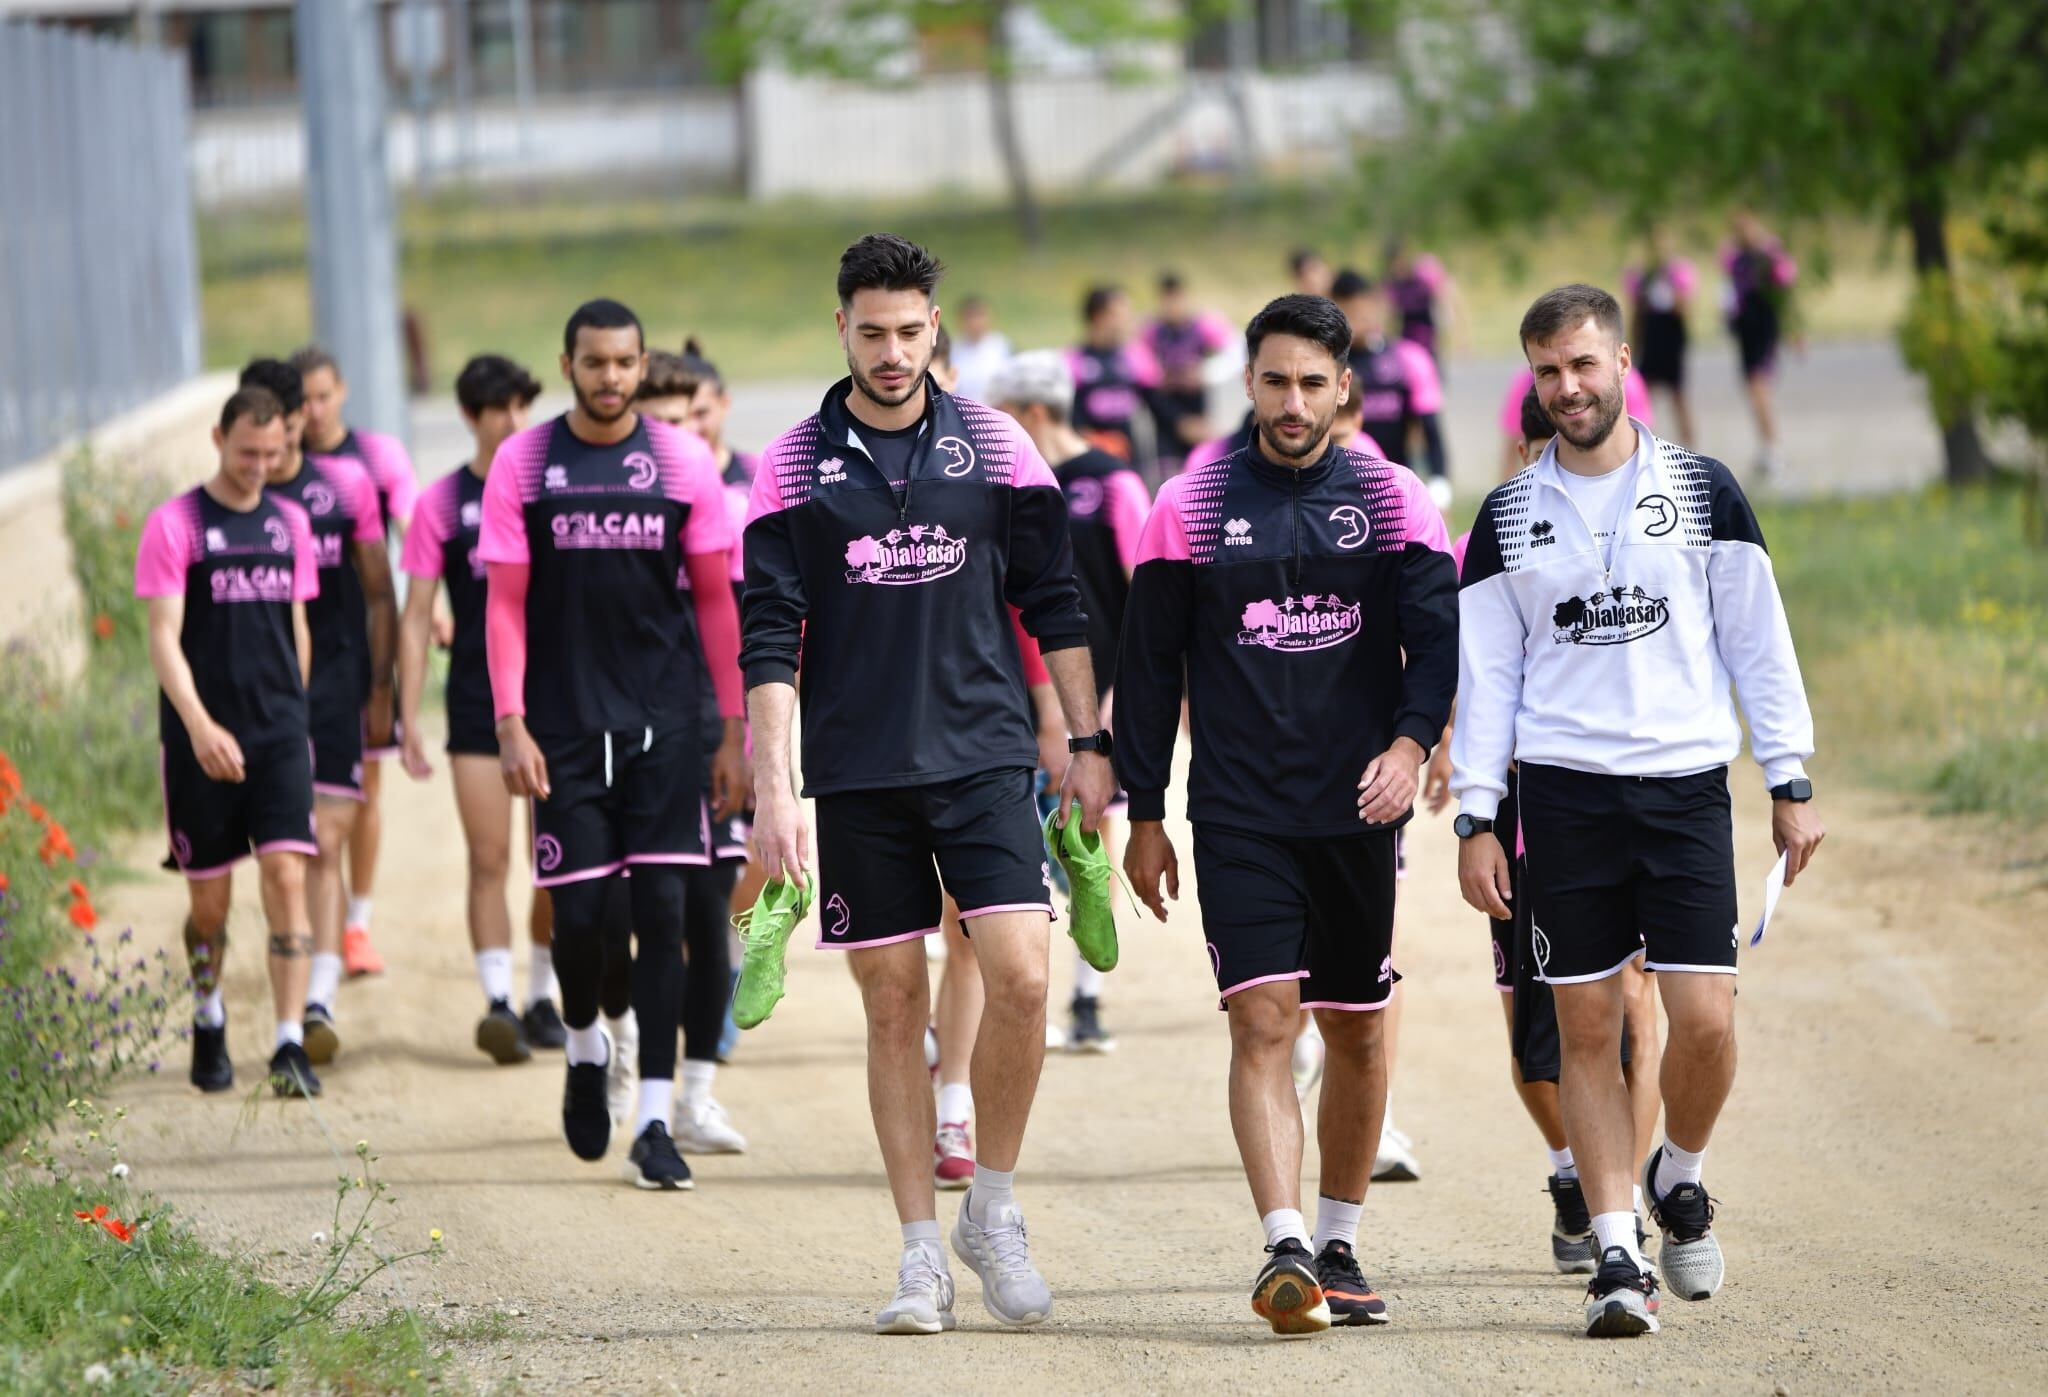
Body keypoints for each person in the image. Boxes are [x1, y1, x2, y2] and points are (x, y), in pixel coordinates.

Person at [737, 233, 1116, 1335]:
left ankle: (989, 1210)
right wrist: (773, 789)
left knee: (1023, 978)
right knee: (893, 1005)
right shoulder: (790, 464)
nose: (892, 351)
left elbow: (1057, 601)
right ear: (840, 328)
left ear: (935, 328)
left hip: (987, 757)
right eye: (872, 332)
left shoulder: (998, 447)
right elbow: (768, 636)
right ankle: (916, 1256)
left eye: (910, 331)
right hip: (857, 773)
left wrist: (1085, 742)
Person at [1453, 284, 1825, 1338]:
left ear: (1622, 364)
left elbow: (1757, 638)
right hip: (1562, 795)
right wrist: (1475, 814)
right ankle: (1616, 1253)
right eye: (1544, 371)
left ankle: (1681, 1172)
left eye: (1580, 364)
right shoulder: (1507, 515)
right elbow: (1486, 677)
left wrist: (1787, 779)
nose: (1564, 388)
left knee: (1702, 1020)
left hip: (1683, 790)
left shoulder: (1701, 489)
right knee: (1589, 1025)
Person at [1118, 294, 1459, 1334]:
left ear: (1344, 386)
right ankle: (1283, 1246)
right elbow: (1145, 669)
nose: (1292, 401)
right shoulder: (1188, 501)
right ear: (1247, 382)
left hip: (1357, 811)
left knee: (1355, 1031)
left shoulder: (1395, 500)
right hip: (1237, 810)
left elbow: (1435, 644)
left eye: (1312, 382)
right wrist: (1143, 810)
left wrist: (1408, 747)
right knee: (1263, 1017)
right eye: (1272, 380)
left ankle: (1341, 1239)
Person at [479, 298, 747, 1190]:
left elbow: (715, 598)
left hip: (668, 725)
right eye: (593, 363)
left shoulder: (680, 461)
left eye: (624, 363)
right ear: (567, 365)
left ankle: (657, 1120)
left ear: (641, 366)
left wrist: (732, 726)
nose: (610, 378)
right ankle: (587, 1044)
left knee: (667, 919)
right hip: (560, 728)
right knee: (581, 921)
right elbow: (505, 602)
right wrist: (510, 720)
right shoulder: (525, 463)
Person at [1424, 385, 1664, 1272]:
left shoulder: (1633, 526)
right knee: (1534, 1025)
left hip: (1615, 793)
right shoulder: (1480, 543)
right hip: (1519, 805)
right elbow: (1460, 669)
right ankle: (1573, 1166)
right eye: (1528, 447)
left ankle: (1622, 1206)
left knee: (1632, 996)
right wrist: (1453, 751)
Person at [137, 387, 325, 1099]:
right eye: (247, 452)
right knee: (210, 906)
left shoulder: (290, 523)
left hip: (279, 735)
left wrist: (293, 712)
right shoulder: (175, 523)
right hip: (199, 739)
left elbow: (296, 627)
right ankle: (209, 1012)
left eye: (272, 454)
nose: (259, 466)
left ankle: (287, 1042)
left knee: (286, 879)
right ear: (218, 437)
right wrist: (199, 724)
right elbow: (162, 635)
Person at [397, 354, 571, 1064]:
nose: (514, 420)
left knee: (557, 860)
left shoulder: (553, 488)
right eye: (499, 408)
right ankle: (500, 1001)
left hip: (558, 699)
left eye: (523, 406)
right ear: (471, 416)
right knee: (489, 856)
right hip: (477, 702)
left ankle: (541, 993)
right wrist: (406, 714)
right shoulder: (441, 503)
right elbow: (414, 617)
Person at [988, 349, 1150, 1053]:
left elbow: (1146, 603)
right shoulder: (1005, 486)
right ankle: (1016, 987)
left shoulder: (1111, 483)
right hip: (1013, 697)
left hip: (1097, 697)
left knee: (1091, 842)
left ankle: (1087, 993)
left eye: (1000, 412)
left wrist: (1109, 710)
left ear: (1031, 412)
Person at [241, 357, 397, 1072]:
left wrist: (382, 690)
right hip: (255, 700)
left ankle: (318, 1001)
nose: (293, 420)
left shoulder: (345, 487)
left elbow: (378, 593)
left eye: (303, 407)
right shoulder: (230, 508)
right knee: (281, 860)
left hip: (335, 686)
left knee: (324, 846)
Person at [626, 347, 753, 1153]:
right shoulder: (619, 504)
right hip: (618, 735)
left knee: (707, 914)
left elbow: (756, 629)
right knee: (628, 919)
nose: (679, 434)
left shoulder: (733, 510)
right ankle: (618, 1054)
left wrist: (750, 740)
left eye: (689, 418)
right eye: (661, 422)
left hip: (709, 732)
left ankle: (692, 1094)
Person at [294, 346, 420, 979]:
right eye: (302, 399)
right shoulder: (274, 464)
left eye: (322, 395)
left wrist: (436, 607)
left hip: (359, 651)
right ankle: (315, 922)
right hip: (291, 660)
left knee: (364, 787)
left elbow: (413, 530)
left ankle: (357, 924)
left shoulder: (376, 458)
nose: (313, 411)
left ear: (341, 389)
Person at [1330, 270, 1450, 508]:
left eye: (1360, 310)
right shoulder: (1324, 364)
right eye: (1347, 312)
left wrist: (1439, 487)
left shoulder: (1409, 359)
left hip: (1397, 487)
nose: (1354, 320)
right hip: (1335, 487)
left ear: (1375, 306)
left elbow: (1431, 429)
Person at [1722, 209, 1799, 480]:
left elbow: (1786, 294)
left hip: (1766, 329)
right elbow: (1730, 293)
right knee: (1753, 390)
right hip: (1745, 331)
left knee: (1759, 387)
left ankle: (1772, 448)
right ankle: (1766, 446)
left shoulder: (1770, 257)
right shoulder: (1735, 259)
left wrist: (1794, 331)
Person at [1141, 272, 1233, 473]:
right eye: (1167, 300)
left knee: (1203, 466)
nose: (1172, 307)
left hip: (1198, 405)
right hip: (1167, 411)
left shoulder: (1204, 325)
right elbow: (1139, 364)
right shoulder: (1152, 330)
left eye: (1176, 299)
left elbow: (1234, 351)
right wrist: (1161, 376)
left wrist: (1205, 372)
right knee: (1169, 471)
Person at [1066, 284, 1163, 468]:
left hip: (1131, 464)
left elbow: (1160, 406)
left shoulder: (1138, 356)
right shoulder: (1072, 362)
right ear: (1098, 317)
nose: (1129, 322)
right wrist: (1097, 442)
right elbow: (1065, 421)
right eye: (1121, 315)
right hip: (1087, 464)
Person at [1624, 229, 1698, 446]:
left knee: (1678, 395)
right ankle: (1642, 442)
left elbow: (1685, 310)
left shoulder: (1677, 274)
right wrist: (1634, 342)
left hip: (1672, 339)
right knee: (1644, 393)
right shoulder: (1641, 277)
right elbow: (1636, 312)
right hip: (1651, 338)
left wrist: (1671, 294)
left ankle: (1689, 445)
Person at [1382, 238, 1456, 365]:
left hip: (1427, 337)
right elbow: (1390, 315)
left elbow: (1443, 300)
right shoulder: (1392, 285)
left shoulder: (1423, 277)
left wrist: (1450, 331)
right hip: (1407, 339)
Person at [948, 295, 1011, 405]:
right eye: (971, 317)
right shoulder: (953, 350)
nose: (976, 322)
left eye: (980, 316)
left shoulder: (1002, 347)